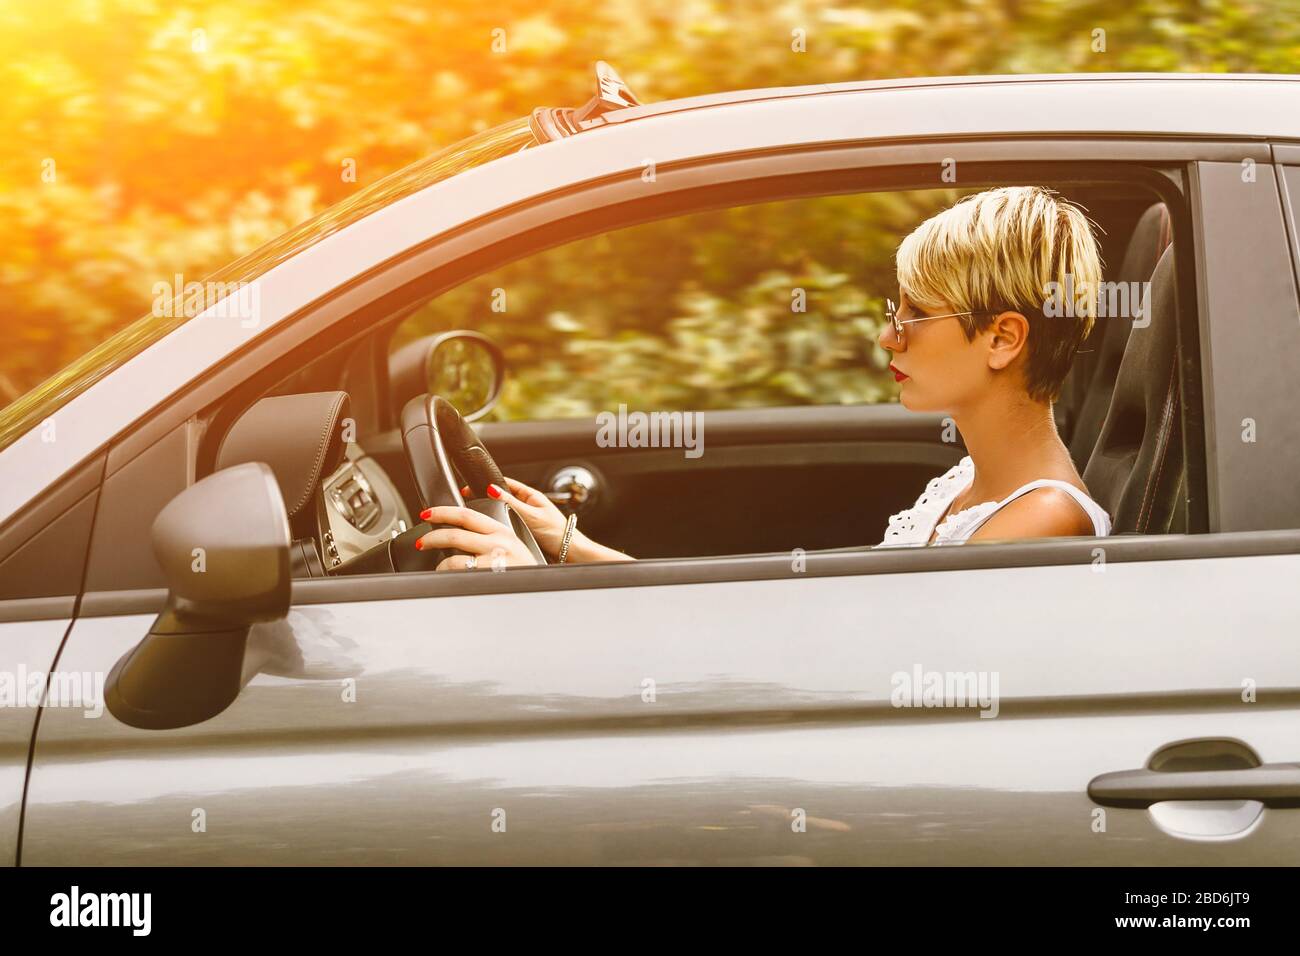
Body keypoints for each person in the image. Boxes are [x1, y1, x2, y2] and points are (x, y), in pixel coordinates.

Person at [416, 185, 1111, 570]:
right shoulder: (965, 483)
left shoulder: (1040, 521)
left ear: (1002, 338)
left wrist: (531, 586)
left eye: (915, 314)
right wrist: (570, 548)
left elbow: (837, 662)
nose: (886, 334)